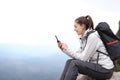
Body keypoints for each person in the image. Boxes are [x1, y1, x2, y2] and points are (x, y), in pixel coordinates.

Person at [57, 15, 114, 80]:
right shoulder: (84, 38)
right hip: (97, 67)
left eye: (76, 26)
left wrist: (67, 49)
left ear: (83, 26)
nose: (74, 29)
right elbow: (77, 56)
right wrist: (64, 49)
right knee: (69, 62)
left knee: (74, 63)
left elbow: (83, 58)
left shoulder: (93, 37)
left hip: (105, 70)